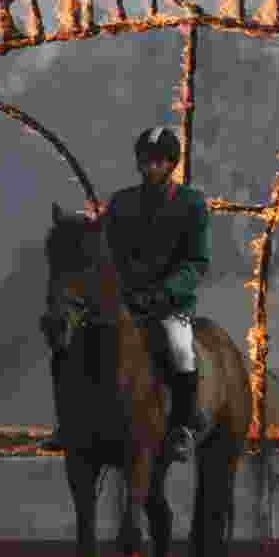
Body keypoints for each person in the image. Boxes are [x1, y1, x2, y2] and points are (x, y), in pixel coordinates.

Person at [42, 126, 210, 463]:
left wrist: (165, 292)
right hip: (124, 299)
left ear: (171, 164)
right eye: (146, 161)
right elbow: (100, 239)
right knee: (72, 343)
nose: (151, 168)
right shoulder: (122, 201)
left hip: (169, 304)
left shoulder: (192, 203)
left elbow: (196, 262)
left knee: (180, 350)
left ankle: (182, 427)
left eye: (159, 162)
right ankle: (68, 423)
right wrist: (73, 224)